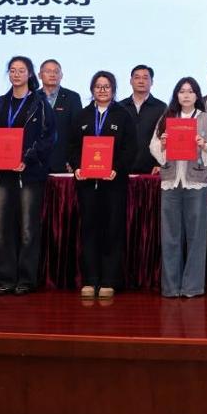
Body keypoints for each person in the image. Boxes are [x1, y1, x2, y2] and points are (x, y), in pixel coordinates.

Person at [0, 56, 55, 295]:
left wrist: (26, 159)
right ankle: (6, 279)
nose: (17, 74)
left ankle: (26, 279)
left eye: (21, 70)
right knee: (0, 229)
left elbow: (48, 137)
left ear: (30, 74)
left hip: (28, 175)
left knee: (28, 230)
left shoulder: (40, 104)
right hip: (2, 175)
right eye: (12, 70)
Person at [150, 76, 207, 298]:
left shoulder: (206, 119)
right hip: (171, 182)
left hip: (196, 183)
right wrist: (163, 145)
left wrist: (204, 145)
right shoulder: (166, 118)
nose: (186, 95)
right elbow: (153, 145)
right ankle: (171, 287)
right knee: (170, 236)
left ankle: (192, 287)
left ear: (197, 95)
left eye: (190, 91)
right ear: (176, 95)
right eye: (182, 91)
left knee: (196, 236)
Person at [68, 70, 137, 299]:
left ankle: (109, 280)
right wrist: (77, 167)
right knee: (89, 230)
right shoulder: (82, 116)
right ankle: (90, 280)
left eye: (107, 86)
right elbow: (72, 146)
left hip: (114, 184)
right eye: (98, 86)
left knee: (112, 230)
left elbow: (131, 148)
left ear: (114, 89)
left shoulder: (123, 115)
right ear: (92, 89)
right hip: (87, 184)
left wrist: (117, 168)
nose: (102, 90)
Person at [119, 64, 168, 175]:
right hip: (123, 168)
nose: (141, 81)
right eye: (137, 77)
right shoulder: (120, 107)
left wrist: (159, 163)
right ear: (131, 81)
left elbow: (165, 137)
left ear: (152, 82)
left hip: (151, 169)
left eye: (145, 78)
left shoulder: (161, 107)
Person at [38, 58, 82, 174]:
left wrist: (74, 160)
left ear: (61, 75)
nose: (53, 74)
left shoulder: (72, 98)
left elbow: (78, 132)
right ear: (39, 75)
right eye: (48, 71)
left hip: (63, 163)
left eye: (56, 71)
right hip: (35, 163)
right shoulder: (32, 98)